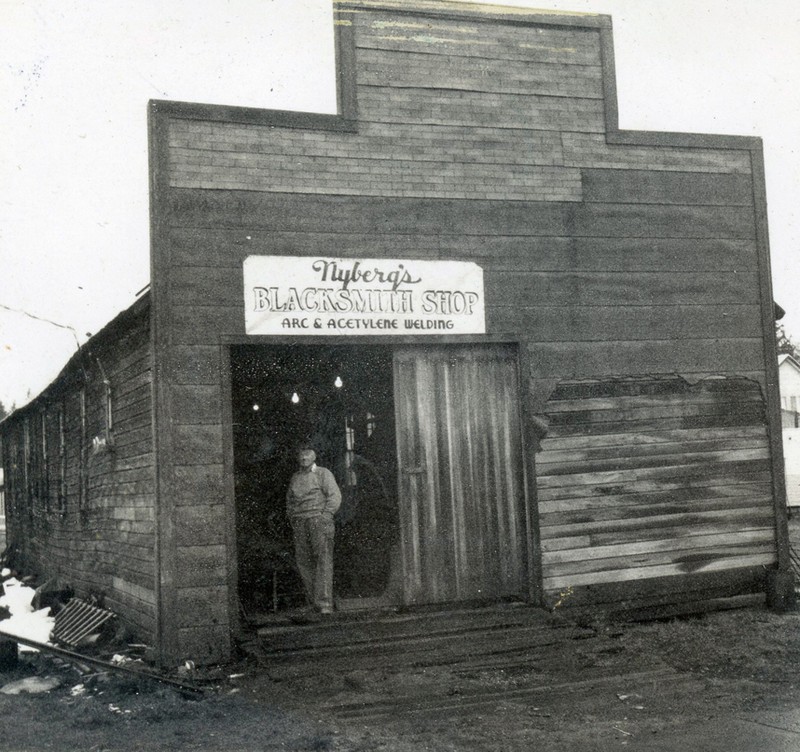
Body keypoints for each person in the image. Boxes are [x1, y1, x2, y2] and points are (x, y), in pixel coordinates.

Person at [285, 446, 342, 617]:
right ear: (298, 458)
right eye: (301, 456)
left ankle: (324, 604)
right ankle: (314, 603)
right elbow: (289, 500)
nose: (304, 459)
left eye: (307, 455)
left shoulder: (323, 474)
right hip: (300, 522)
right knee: (304, 562)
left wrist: (326, 515)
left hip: (318, 521)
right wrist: (293, 517)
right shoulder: (295, 477)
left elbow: (335, 496)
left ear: (313, 457)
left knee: (322, 560)